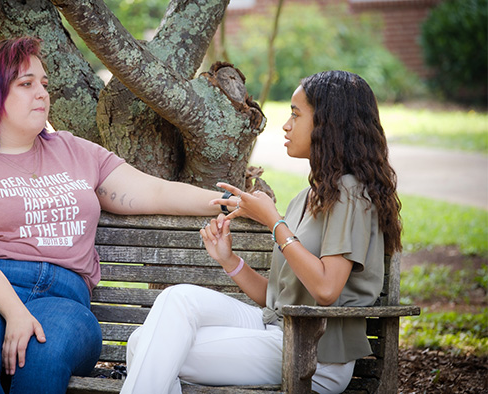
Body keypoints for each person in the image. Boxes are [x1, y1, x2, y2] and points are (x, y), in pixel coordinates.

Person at [0, 36, 238, 394]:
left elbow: (156, 191)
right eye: (26, 84)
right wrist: (16, 312)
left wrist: (229, 202)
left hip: (61, 300)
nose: (42, 93)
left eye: (44, 84)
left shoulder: (78, 153)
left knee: (44, 359)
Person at [120, 70, 402, 394]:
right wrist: (229, 261)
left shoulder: (350, 194)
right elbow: (278, 299)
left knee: (149, 348)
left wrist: (274, 222)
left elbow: (326, 289)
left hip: (314, 355)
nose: (285, 125)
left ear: (329, 125)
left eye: (296, 115)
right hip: (276, 328)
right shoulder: (306, 199)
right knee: (172, 304)